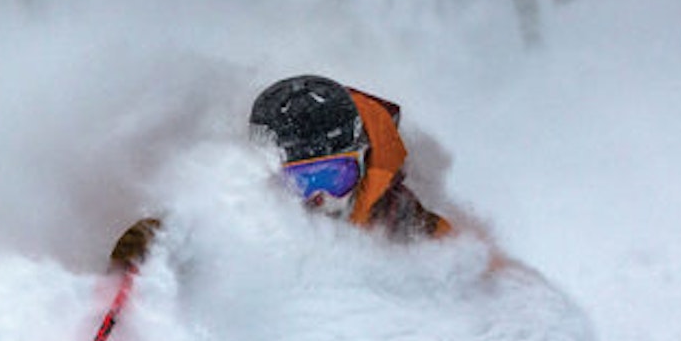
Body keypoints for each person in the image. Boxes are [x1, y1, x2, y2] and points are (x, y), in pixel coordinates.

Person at [110, 74, 452, 269]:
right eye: (301, 181)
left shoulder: (396, 217)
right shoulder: (252, 210)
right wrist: (151, 246)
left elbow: (458, 258)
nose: (320, 197)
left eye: (335, 176)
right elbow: (199, 228)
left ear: (363, 161)